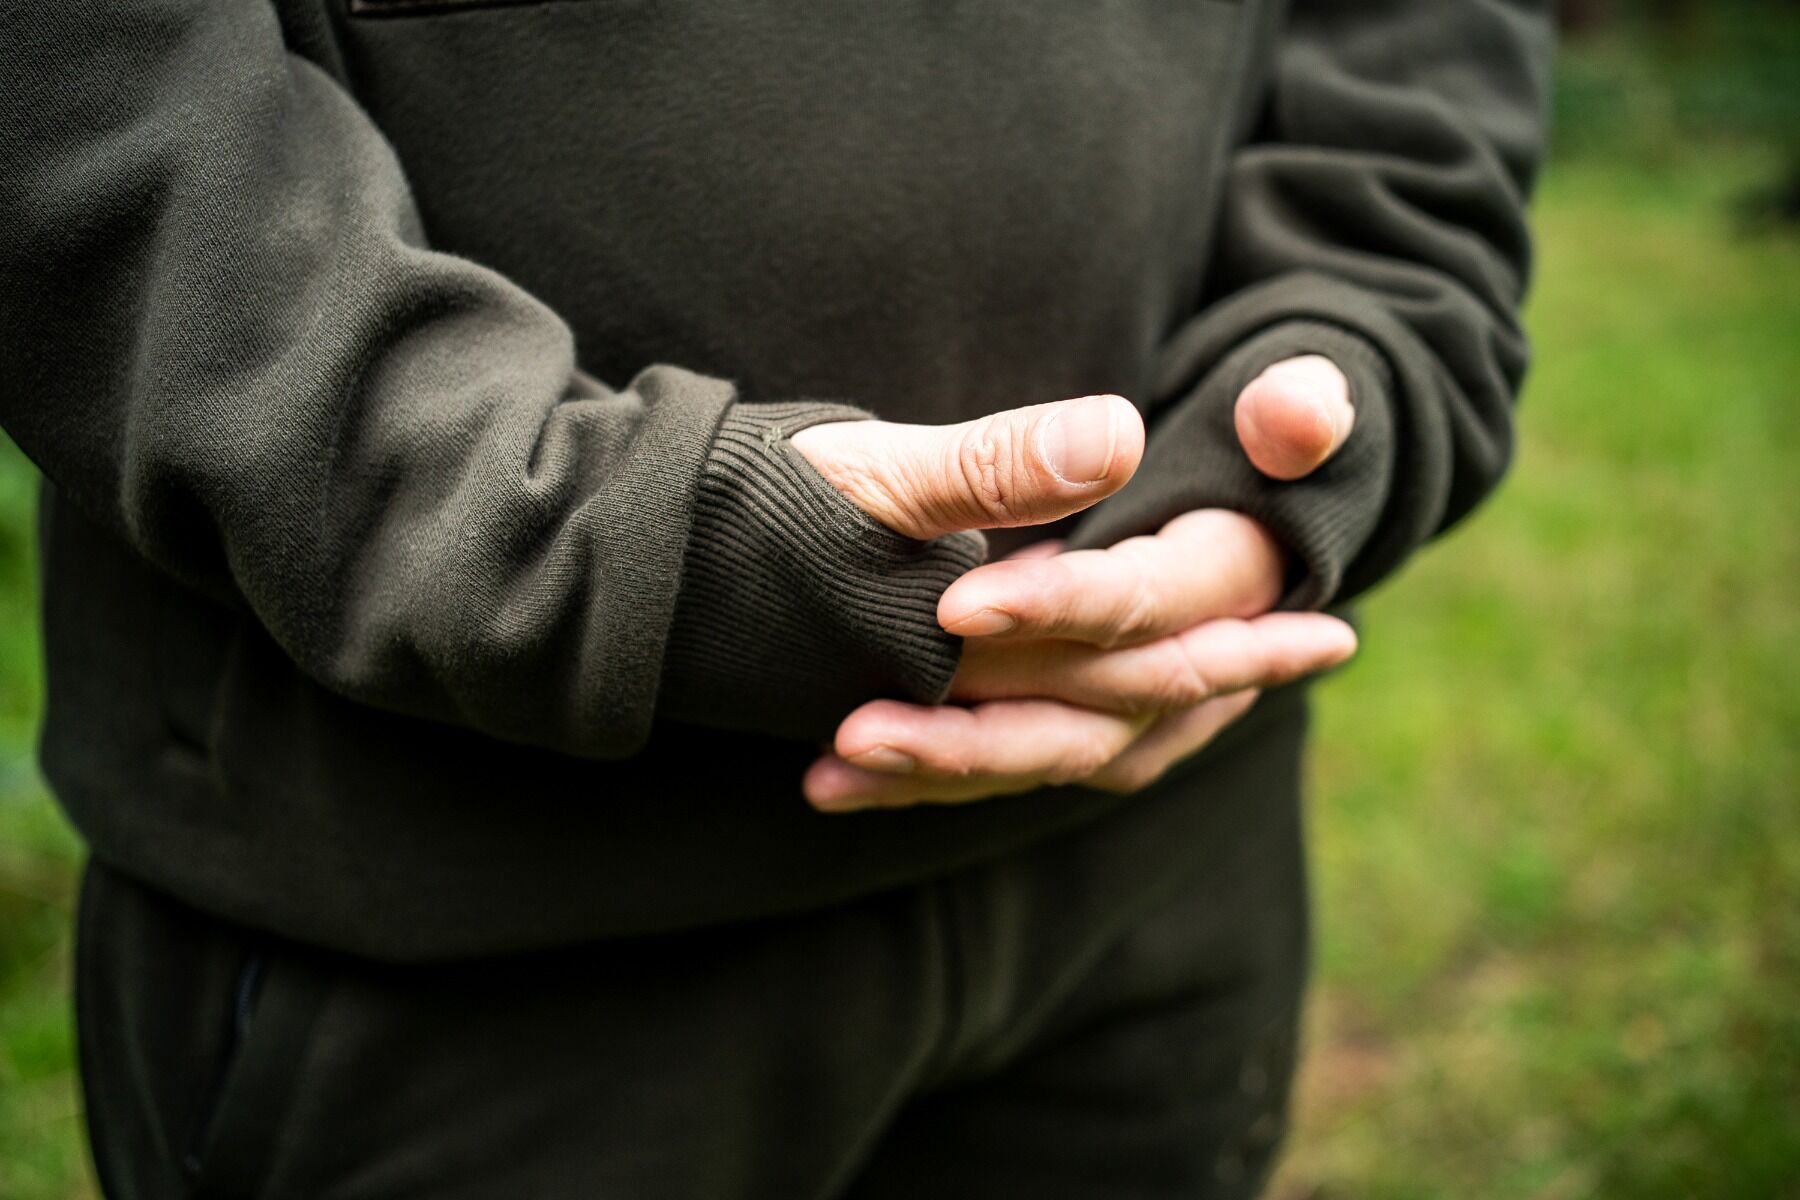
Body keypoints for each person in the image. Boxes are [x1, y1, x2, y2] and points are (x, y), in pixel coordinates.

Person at [0, 2, 1551, 1197]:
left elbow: (1420, 89)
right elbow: (86, 113)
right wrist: (639, 538)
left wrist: (1335, 404)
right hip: (455, 929)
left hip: (1162, 878)